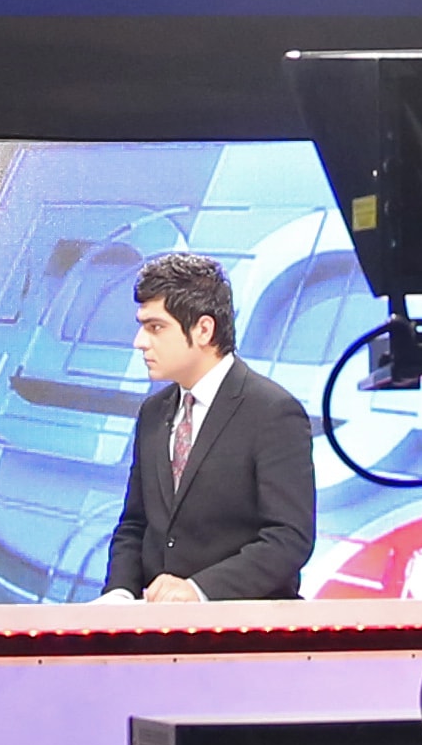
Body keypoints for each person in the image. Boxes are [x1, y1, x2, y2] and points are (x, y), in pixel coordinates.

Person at [94, 252, 315, 605]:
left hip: (247, 635)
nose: (140, 341)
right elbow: (136, 524)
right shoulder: (153, 412)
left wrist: (199, 591)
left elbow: (288, 538)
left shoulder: (273, 412)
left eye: (155, 327)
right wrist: (119, 594)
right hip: (157, 634)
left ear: (203, 329)